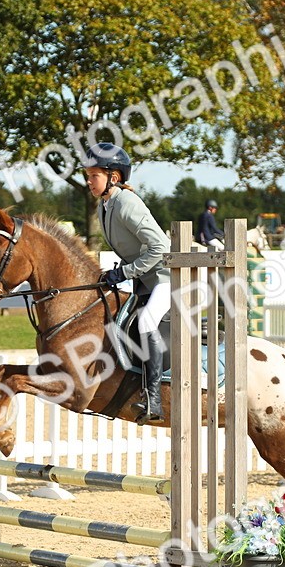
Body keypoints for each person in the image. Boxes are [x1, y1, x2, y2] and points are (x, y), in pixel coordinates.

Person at [86, 142, 170, 424]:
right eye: (87, 176)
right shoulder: (105, 206)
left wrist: (126, 272)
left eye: (94, 175)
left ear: (113, 177)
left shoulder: (126, 202)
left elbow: (159, 247)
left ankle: (154, 400)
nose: (89, 181)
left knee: (146, 322)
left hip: (166, 278)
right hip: (144, 282)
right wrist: (119, 272)